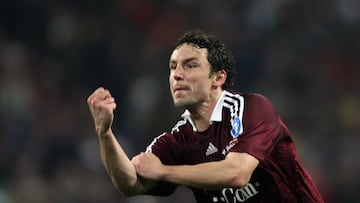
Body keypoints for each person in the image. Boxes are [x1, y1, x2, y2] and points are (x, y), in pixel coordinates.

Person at [87, 30, 324, 202]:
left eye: (190, 65)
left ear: (218, 78)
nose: (177, 75)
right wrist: (105, 134)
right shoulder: (178, 139)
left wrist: (165, 171)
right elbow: (129, 183)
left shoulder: (252, 108)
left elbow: (237, 173)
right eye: (172, 67)